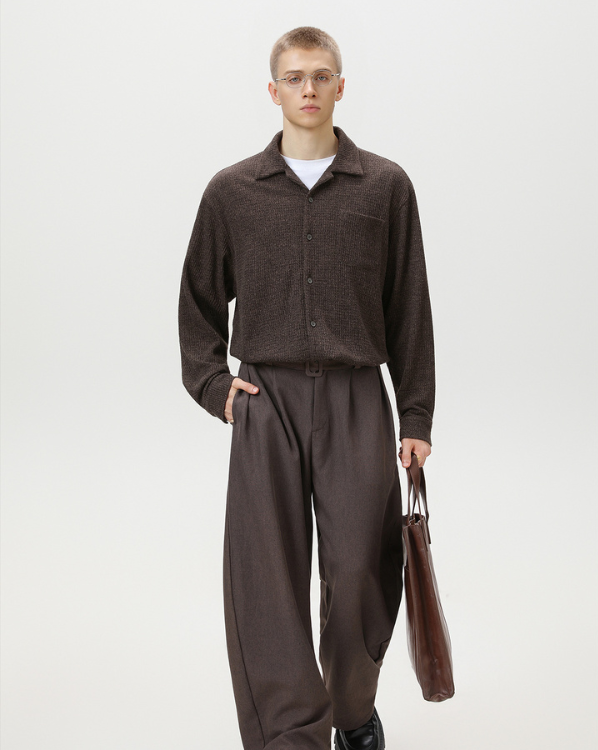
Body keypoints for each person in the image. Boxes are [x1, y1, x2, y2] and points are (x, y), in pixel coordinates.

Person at [178, 25, 435, 750]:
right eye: (294, 77)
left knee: (359, 572)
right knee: (268, 586)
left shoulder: (385, 186)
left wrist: (415, 416)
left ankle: (352, 712)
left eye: (321, 75)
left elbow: (409, 307)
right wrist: (215, 384)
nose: (309, 89)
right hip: (267, 404)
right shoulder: (232, 192)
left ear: (341, 86)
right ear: (273, 91)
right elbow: (198, 301)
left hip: (358, 401)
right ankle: (290, 738)